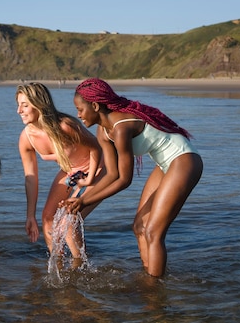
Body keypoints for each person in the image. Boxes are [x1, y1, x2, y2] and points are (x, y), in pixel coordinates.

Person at [64, 78, 203, 277]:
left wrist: (84, 200)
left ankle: (153, 291)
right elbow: (112, 174)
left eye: (80, 109)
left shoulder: (121, 127)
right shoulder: (103, 131)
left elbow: (124, 180)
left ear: (95, 106)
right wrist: (81, 199)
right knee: (139, 226)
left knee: (153, 232)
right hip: (165, 164)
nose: (78, 115)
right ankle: (150, 275)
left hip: (184, 160)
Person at [16, 82, 105, 258]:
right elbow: (31, 178)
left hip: (100, 167)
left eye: (25, 105)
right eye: (18, 105)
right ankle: (56, 265)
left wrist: (89, 180)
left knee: (69, 221)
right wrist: (30, 216)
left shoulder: (65, 126)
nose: (19, 110)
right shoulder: (26, 138)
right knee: (47, 218)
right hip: (71, 171)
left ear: (39, 104)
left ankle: (80, 266)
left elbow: (97, 148)